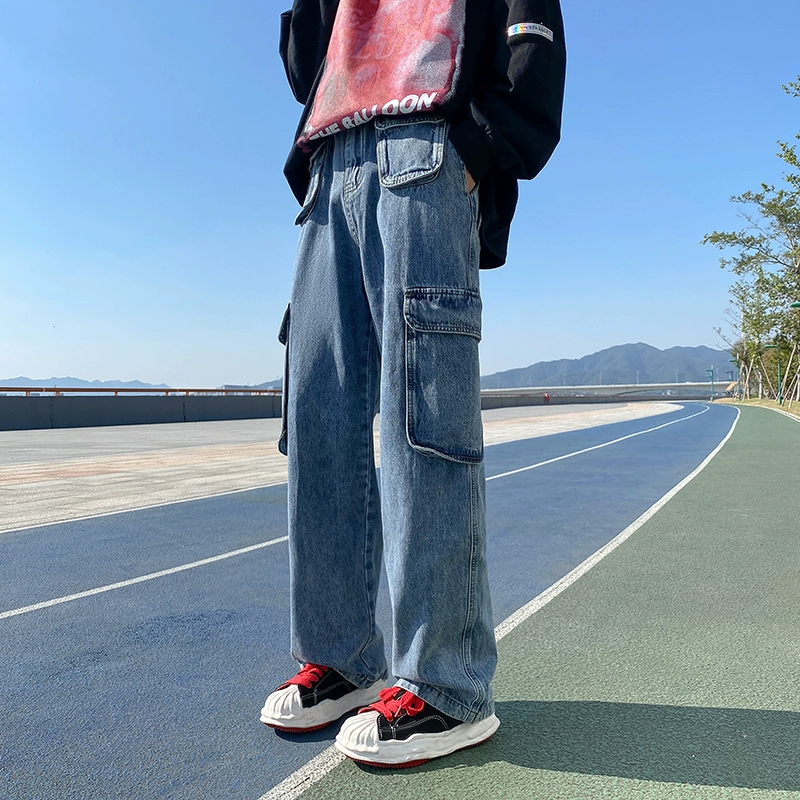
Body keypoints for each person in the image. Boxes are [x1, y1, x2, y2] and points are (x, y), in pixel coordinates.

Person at [260, 0, 566, 768]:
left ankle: (446, 683)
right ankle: (341, 658)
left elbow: (530, 35)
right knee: (318, 420)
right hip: (330, 160)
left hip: (427, 147)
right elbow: (304, 61)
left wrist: (480, 145)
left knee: (422, 423)